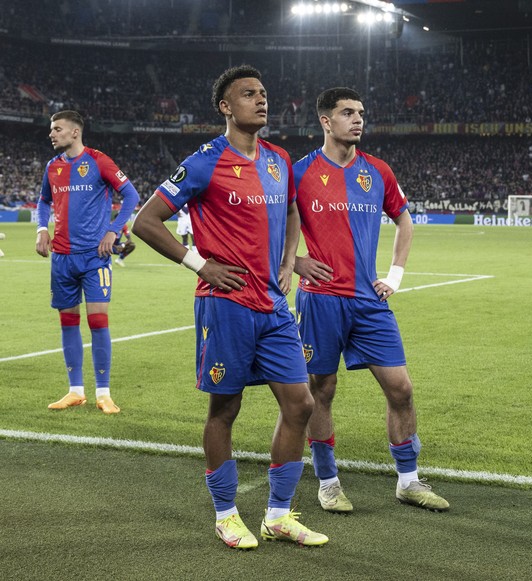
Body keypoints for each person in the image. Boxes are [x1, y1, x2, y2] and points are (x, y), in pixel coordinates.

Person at [132, 65, 328, 550]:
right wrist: (199, 264)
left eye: (263, 93)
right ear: (225, 107)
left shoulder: (280, 159)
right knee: (226, 407)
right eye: (248, 94)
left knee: (301, 402)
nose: (260, 100)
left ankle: (278, 515)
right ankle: (226, 514)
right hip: (226, 305)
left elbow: (291, 212)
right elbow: (146, 220)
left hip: (272, 303)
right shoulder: (204, 161)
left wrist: (288, 263)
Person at [293, 87, 449, 513]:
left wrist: (395, 275)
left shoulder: (377, 171)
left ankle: (409, 481)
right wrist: (295, 262)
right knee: (320, 389)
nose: (358, 119)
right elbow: (271, 224)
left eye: (361, 112)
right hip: (320, 300)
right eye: (347, 113)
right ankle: (328, 481)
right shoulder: (299, 172)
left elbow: (404, 220)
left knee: (401, 389)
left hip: (368, 301)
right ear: (326, 121)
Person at [35, 110, 139, 414]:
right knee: (68, 323)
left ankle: (103, 393)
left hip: (95, 258)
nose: (51, 134)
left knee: (97, 322)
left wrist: (112, 230)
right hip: (62, 258)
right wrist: (42, 229)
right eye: (51, 129)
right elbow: (44, 201)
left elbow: (130, 195)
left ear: (74, 132)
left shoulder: (98, 161)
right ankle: (75, 391)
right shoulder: (52, 167)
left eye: (57, 129)